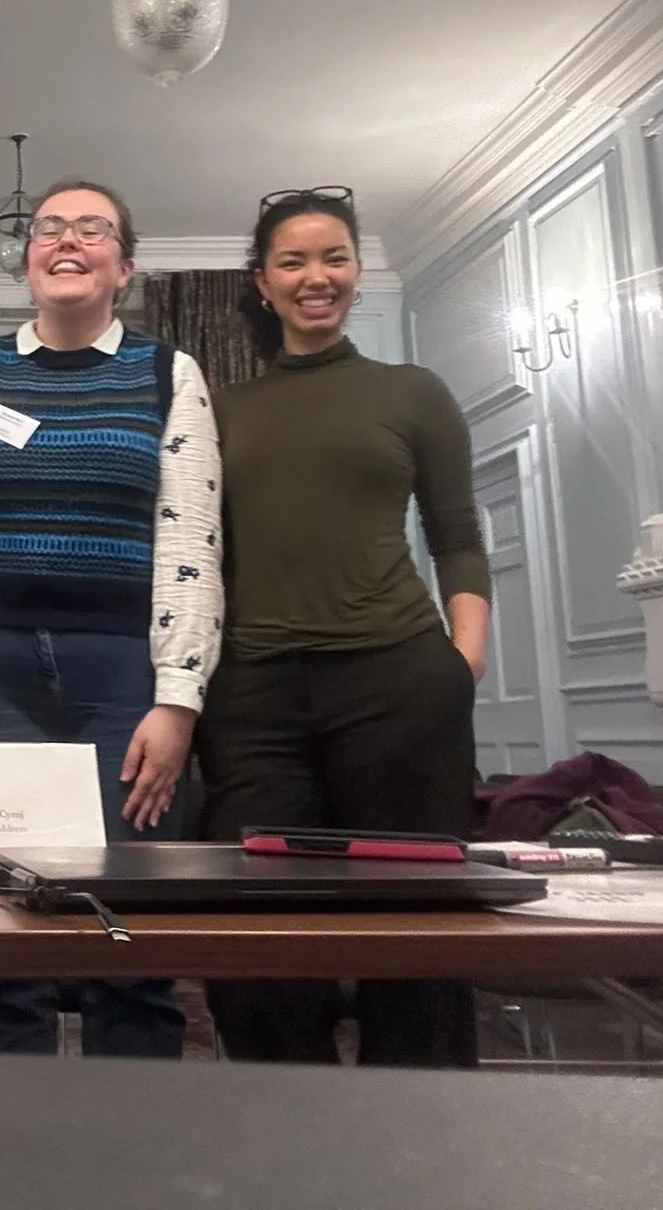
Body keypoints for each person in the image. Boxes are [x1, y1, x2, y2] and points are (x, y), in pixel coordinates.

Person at [0, 178, 222, 1058]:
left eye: (93, 229)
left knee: (126, 931)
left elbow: (193, 536)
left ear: (124, 266)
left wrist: (179, 697)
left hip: (125, 674)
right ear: (29, 258)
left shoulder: (168, 372)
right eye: (50, 227)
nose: (67, 240)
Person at [200, 185, 491, 1067]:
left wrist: (461, 665)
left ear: (358, 273)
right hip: (251, 697)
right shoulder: (218, 406)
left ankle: (424, 1144)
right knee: (257, 946)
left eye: (333, 258)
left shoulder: (413, 393)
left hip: (398, 683)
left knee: (419, 933)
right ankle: (289, 1142)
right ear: (261, 281)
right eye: (292, 261)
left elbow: (458, 537)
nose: (314, 277)